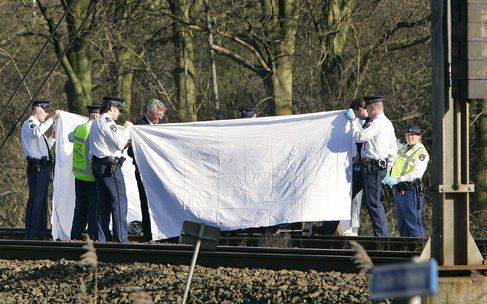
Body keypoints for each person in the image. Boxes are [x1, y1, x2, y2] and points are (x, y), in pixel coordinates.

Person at [345, 96, 397, 237]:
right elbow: (393, 149)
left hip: (372, 168)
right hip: (368, 167)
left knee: (373, 203)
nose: (366, 111)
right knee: (346, 194)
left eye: (367, 108)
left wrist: (353, 121)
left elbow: (359, 137)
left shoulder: (377, 123)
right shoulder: (387, 124)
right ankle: (327, 228)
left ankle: (382, 238)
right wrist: (388, 168)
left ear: (373, 108)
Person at [89, 96, 133, 243]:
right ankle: (121, 240)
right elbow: (119, 143)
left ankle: (102, 239)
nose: (119, 114)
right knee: (119, 201)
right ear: (112, 107)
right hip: (109, 168)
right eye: (119, 110)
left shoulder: (96, 122)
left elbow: (105, 145)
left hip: (99, 165)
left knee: (103, 204)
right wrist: (127, 129)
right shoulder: (107, 122)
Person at [127, 99, 167, 241]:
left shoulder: (162, 126)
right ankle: (149, 233)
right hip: (144, 172)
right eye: (157, 115)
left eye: (161, 115)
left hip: (159, 172)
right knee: (146, 201)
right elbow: (130, 152)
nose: (159, 118)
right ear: (150, 113)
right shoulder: (139, 126)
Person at [21, 100, 59, 240]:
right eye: (45, 111)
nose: (47, 113)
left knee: (42, 203)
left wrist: (52, 138)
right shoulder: (30, 124)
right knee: (36, 201)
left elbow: (42, 149)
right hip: (36, 168)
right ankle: (32, 235)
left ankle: (40, 233)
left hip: (43, 168)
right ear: (38, 110)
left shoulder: (38, 126)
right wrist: (52, 119)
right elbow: (36, 133)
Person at [382, 124, 429, 237]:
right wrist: (388, 175)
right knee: (402, 225)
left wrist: (397, 179)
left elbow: (416, 174)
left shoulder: (421, 153)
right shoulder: (403, 148)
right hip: (399, 190)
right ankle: (407, 251)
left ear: (419, 137)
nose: (410, 137)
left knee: (413, 224)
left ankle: (420, 250)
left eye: (413, 135)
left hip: (411, 190)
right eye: (408, 134)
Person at [68, 105, 101, 240]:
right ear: (96, 116)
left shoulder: (79, 128)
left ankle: (75, 235)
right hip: (91, 177)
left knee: (80, 208)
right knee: (93, 208)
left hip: (79, 176)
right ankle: (93, 236)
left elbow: (70, 137)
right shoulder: (93, 131)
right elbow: (91, 154)